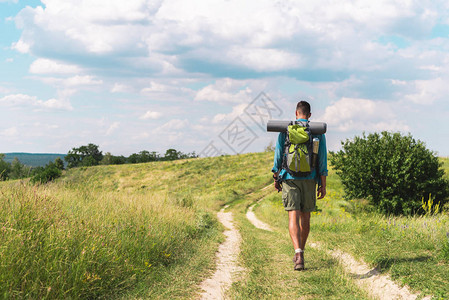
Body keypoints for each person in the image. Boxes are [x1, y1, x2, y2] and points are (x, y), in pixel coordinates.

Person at [272, 100, 328, 271]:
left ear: (296, 113)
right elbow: (322, 160)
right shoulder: (317, 132)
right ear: (309, 115)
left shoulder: (286, 130)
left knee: (293, 217)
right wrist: (322, 185)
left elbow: (278, 156)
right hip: (310, 179)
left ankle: (297, 253)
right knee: (305, 217)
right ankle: (301, 252)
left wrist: (276, 177)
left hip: (290, 177)